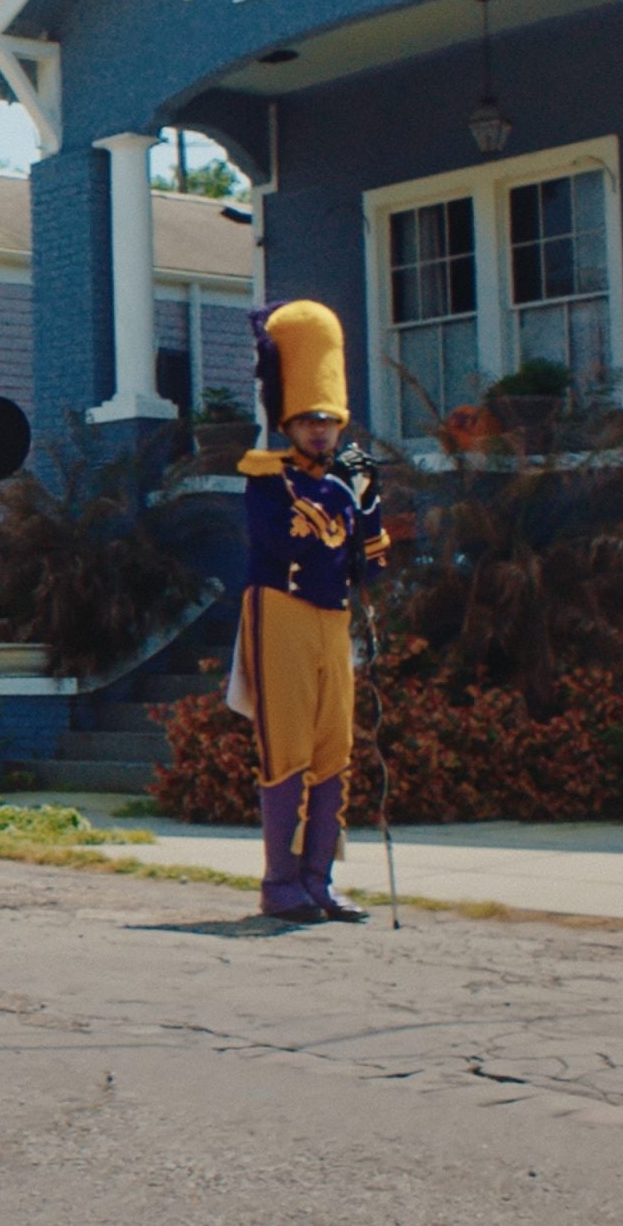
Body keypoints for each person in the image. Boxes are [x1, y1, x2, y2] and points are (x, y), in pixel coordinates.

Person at [230, 299, 390, 925]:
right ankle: (279, 881)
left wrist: (367, 504)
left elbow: (371, 566)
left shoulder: (346, 484)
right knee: (288, 744)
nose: (320, 431)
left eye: (328, 419)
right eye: (307, 419)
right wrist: (336, 499)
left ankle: (319, 879)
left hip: (333, 617)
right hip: (282, 611)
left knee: (334, 747)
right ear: (288, 422)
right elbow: (284, 542)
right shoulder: (268, 479)